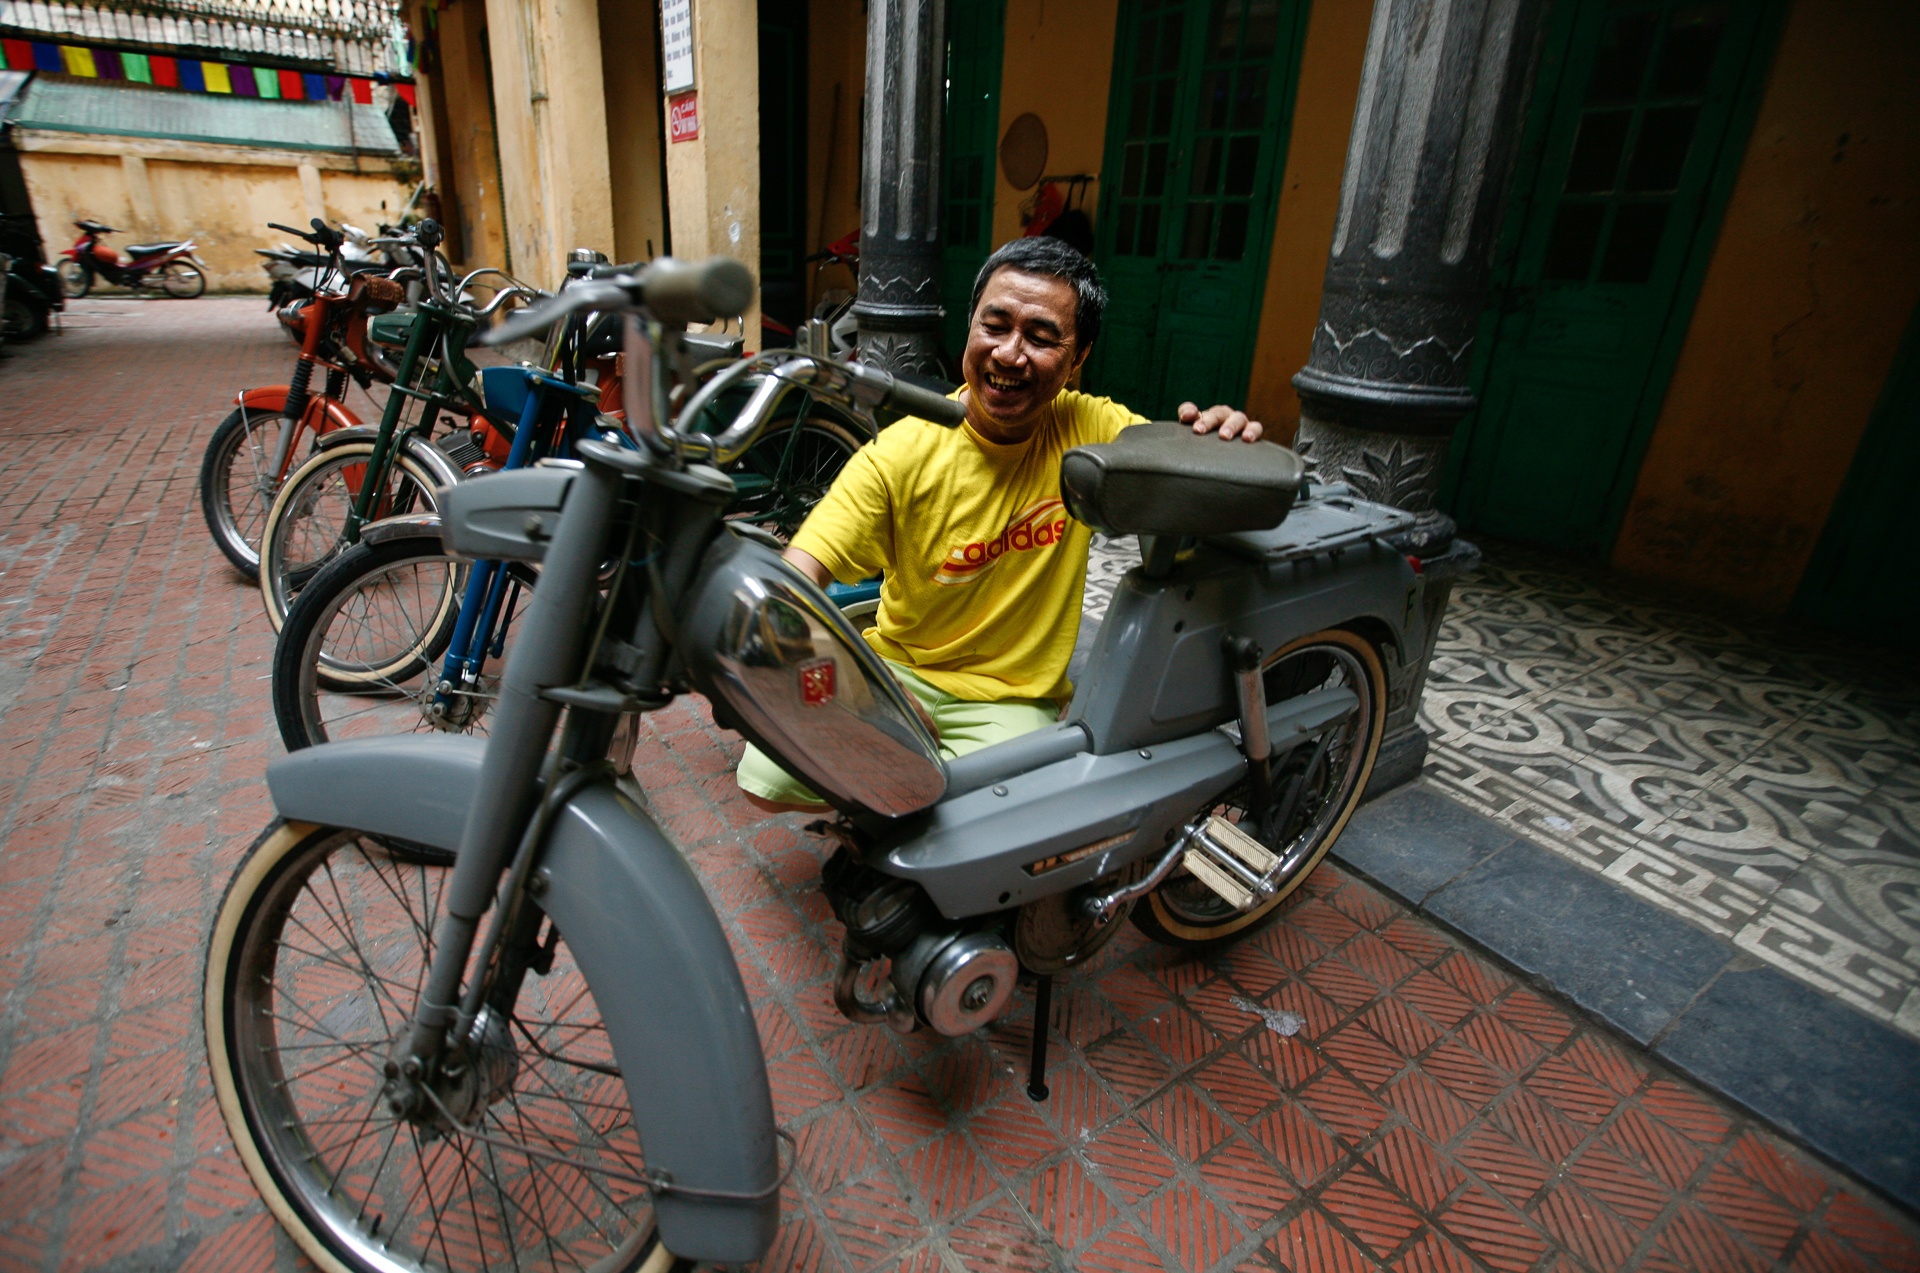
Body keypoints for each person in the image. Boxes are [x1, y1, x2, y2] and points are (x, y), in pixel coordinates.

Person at [737, 236, 1264, 811]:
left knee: (1005, 816)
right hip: (897, 671)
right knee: (766, 778)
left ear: (1078, 359)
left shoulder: (1090, 429)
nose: (1010, 355)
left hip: (1010, 699)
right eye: (995, 326)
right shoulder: (900, 454)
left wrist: (1217, 439)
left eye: (1041, 337)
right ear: (970, 329)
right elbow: (791, 584)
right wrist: (867, 694)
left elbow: (1176, 464)